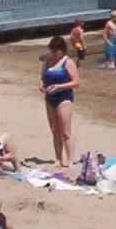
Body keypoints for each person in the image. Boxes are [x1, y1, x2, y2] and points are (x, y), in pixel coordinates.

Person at [40, 36, 80, 167]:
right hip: (50, 98)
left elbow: (76, 82)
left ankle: (70, 160)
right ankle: (58, 158)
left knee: (65, 131)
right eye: (52, 50)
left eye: (55, 51)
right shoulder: (47, 62)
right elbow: (42, 77)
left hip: (64, 98)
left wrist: (59, 86)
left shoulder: (67, 62)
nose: (53, 53)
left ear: (61, 51)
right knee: (54, 129)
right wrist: (41, 85)